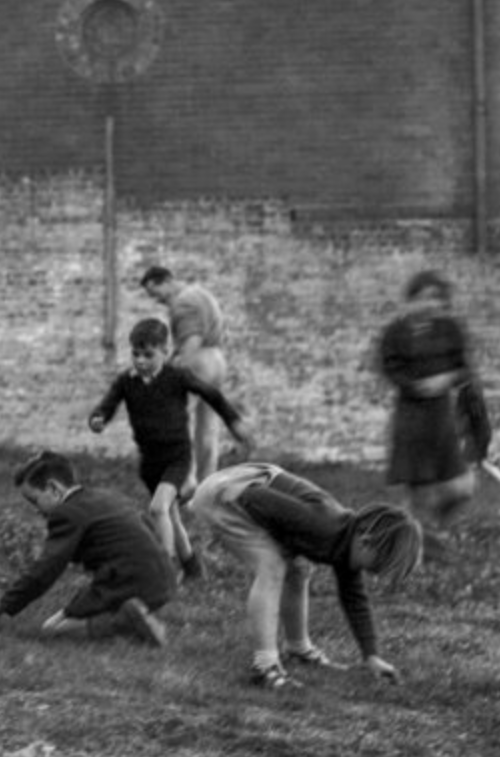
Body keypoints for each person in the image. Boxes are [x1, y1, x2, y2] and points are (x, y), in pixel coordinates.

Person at [185, 463, 423, 690]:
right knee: (272, 566)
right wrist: (277, 540)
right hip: (226, 494)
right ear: (365, 541)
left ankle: (298, 648)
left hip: (243, 490)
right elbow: (254, 498)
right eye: (377, 565)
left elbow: (355, 600)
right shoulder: (322, 524)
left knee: (298, 569)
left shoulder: (345, 544)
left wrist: (371, 656)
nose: (375, 574)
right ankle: (265, 666)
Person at [90, 317, 256, 580]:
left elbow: (211, 394)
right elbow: (107, 405)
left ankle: (164, 572)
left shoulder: (176, 377)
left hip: (176, 458)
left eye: (148, 355)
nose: (141, 361)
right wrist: (98, 418)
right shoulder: (126, 381)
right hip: (150, 462)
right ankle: (192, 567)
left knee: (158, 509)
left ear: (164, 353)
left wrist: (234, 422)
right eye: (136, 354)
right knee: (170, 516)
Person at [0, 450, 175, 647]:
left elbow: (46, 568)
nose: (36, 510)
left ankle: (124, 621)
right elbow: (146, 527)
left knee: (52, 630)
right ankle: (134, 620)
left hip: (128, 581)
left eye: (34, 500)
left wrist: (3, 604)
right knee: (59, 621)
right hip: (163, 578)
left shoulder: (66, 514)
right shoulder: (104, 496)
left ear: (53, 489)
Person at [377, 270, 483, 542]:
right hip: (411, 415)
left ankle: (423, 526)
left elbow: (463, 368)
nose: (431, 304)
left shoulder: (450, 329)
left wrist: (446, 379)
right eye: (424, 298)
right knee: (419, 485)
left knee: (463, 486)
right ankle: (414, 540)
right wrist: (415, 386)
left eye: (437, 299)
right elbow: (390, 368)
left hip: (441, 414)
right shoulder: (395, 332)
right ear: (411, 300)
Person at [139, 265, 232, 484]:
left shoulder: (182, 303)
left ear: (166, 281)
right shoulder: (201, 294)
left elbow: (192, 339)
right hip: (217, 360)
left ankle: (184, 482)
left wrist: (176, 373)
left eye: (156, 293)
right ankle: (208, 485)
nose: (157, 300)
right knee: (207, 428)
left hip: (199, 361)